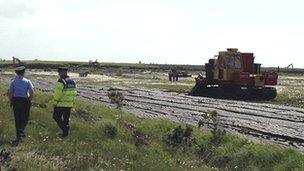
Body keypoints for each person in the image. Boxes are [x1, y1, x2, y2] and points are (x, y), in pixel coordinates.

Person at [8, 66, 34, 142]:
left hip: (16, 100)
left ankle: (18, 136)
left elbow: (10, 92)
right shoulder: (27, 81)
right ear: (24, 72)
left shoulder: (13, 81)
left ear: (16, 73)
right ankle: (21, 130)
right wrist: (30, 100)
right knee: (25, 117)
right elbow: (32, 91)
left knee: (17, 118)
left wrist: (11, 101)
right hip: (25, 100)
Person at [53, 67, 77, 137]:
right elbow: (74, 93)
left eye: (59, 72)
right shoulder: (73, 81)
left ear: (63, 72)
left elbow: (58, 94)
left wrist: (55, 103)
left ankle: (65, 130)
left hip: (60, 104)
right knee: (66, 120)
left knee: (56, 117)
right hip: (69, 104)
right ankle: (65, 134)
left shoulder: (61, 81)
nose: (58, 74)